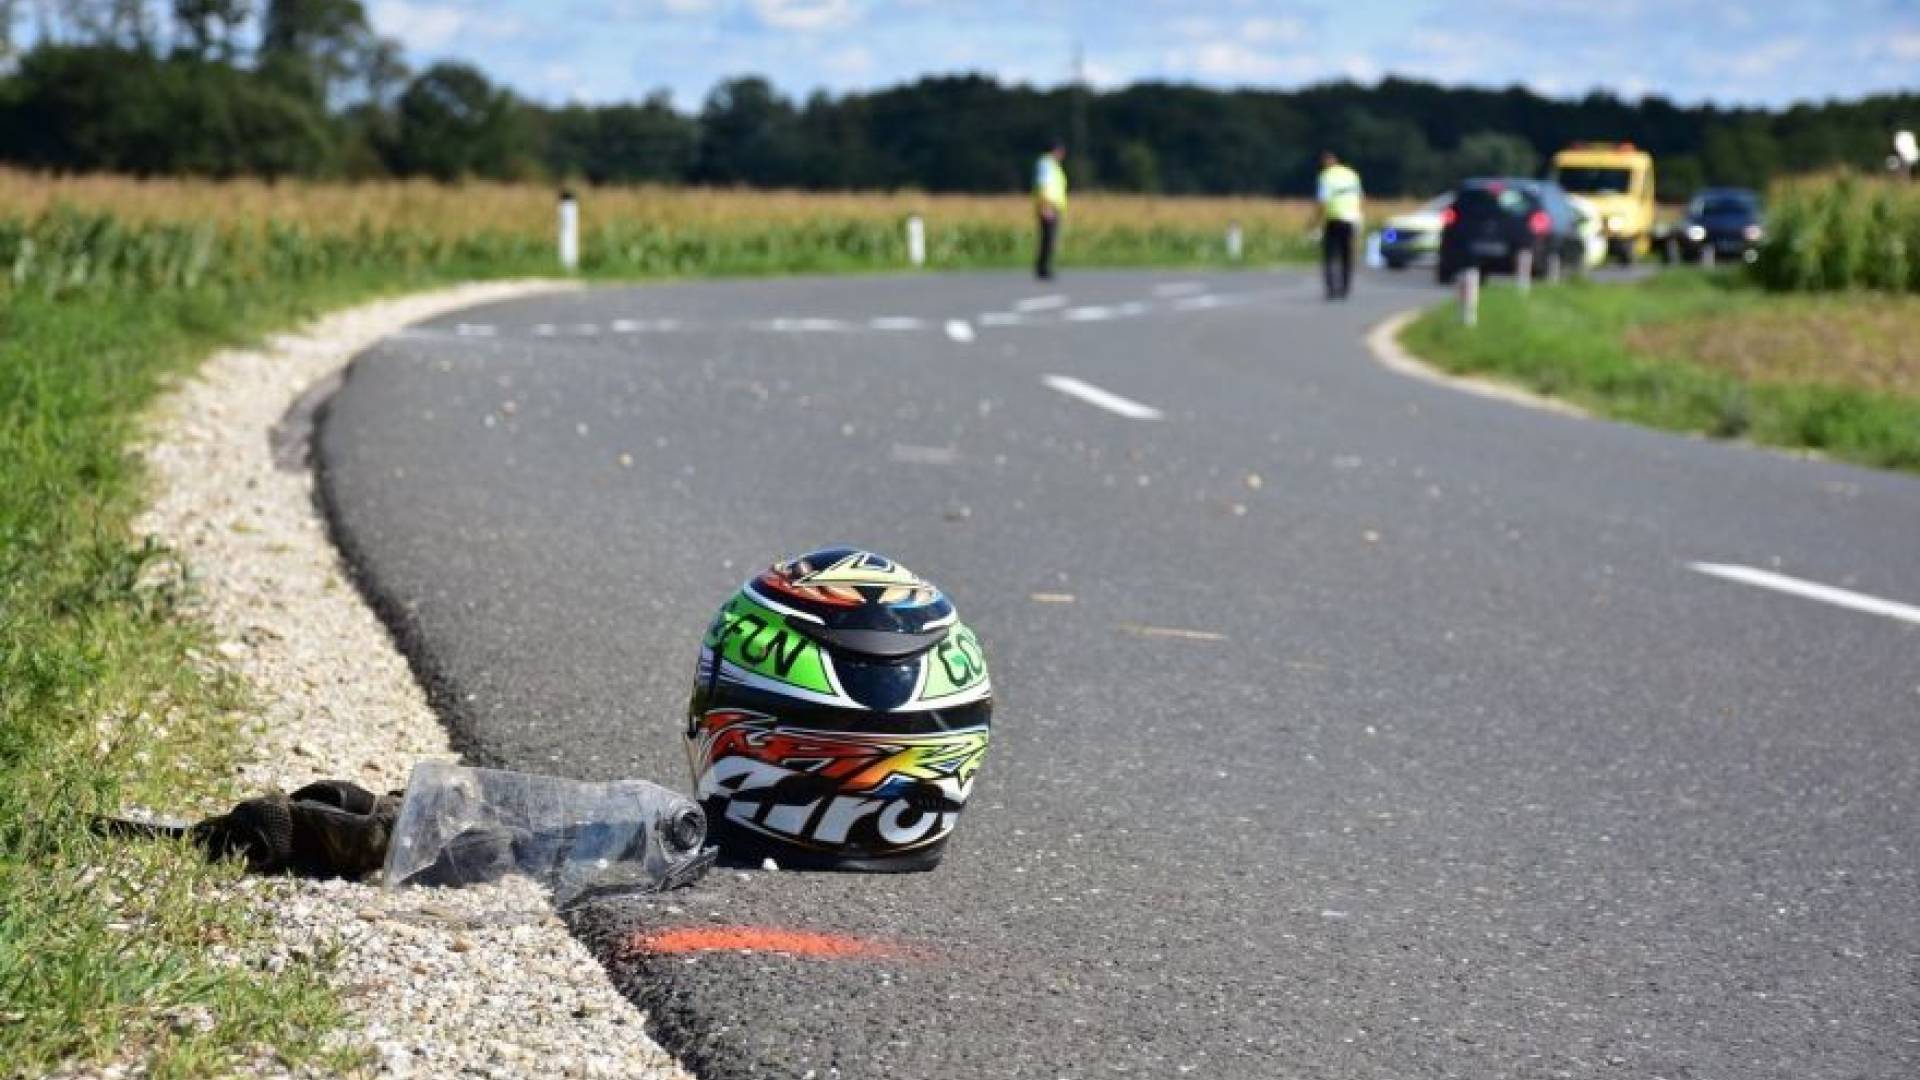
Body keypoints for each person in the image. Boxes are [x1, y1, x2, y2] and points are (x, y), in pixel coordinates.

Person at [1313, 150, 1364, 300]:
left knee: (1330, 255)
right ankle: (1345, 288)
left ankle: (1331, 289)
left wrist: (1315, 222)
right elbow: (1360, 197)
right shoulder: (1351, 174)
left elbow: (1322, 202)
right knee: (1347, 255)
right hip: (1351, 218)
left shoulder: (1326, 177)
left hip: (1333, 219)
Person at [1033, 139, 1069, 280]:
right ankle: (1043, 267)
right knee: (1049, 238)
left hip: (1053, 206)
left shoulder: (1052, 165)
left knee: (1050, 238)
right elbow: (1044, 185)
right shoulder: (1046, 164)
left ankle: (1044, 266)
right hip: (1048, 206)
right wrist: (1045, 206)